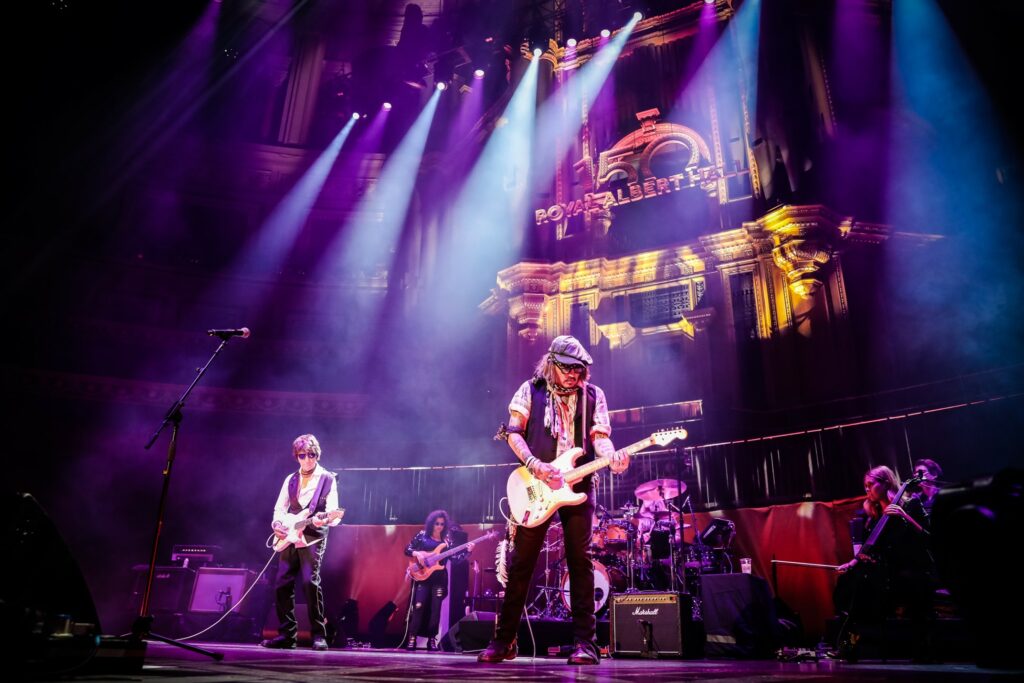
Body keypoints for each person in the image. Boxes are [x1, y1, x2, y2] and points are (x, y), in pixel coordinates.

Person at [478, 335, 629, 665]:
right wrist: (536, 465)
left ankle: (585, 644)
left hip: (579, 485)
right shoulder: (530, 389)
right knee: (521, 565)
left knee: (581, 562)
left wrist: (612, 456)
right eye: (568, 368)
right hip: (538, 483)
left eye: (579, 369)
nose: (575, 375)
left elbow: (600, 438)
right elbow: (513, 431)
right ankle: (504, 641)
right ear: (551, 364)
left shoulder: (593, 395)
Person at [833, 465, 936, 662]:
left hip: (911, 569)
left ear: (885, 483)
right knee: (849, 584)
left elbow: (929, 538)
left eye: (870, 484)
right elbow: (871, 547)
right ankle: (850, 645)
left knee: (892, 585)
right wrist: (853, 562)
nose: (867, 489)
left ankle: (922, 648)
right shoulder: (874, 516)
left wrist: (904, 516)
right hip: (888, 574)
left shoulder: (911, 504)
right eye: (865, 486)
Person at [261, 434, 343, 651]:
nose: (307, 459)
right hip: (290, 534)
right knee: (282, 584)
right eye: (302, 455)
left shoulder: (327, 478)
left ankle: (319, 634)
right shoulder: (290, 479)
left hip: (312, 534)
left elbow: (333, 511)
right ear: (296, 456)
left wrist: (324, 517)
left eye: (312, 455)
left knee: (310, 583)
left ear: (318, 454)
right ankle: (287, 635)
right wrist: (277, 523)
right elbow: (280, 507)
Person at [402, 510, 474, 651]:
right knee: (418, 607)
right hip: (422, 578)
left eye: (442, 524)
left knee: (436, 610)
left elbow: (455, 560)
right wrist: (417, 553)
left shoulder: (447, 542)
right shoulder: (422, 536)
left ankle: (432, 640)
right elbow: (407, 549)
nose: (439, 526)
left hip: (439, 580)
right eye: (437, 524)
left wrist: (468, 551)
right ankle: (412, 638)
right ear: (431, 524)